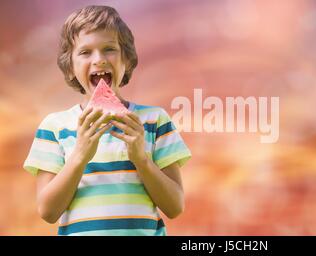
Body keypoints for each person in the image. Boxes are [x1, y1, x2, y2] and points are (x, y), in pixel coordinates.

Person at [23, 5, 191, 236]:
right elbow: (47, 211)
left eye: (109, 49)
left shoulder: (154, 120)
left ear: (127, 61)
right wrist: (80, 154)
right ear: (70, 67)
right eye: (85, 52)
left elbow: (175, 207)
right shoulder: (54, 127)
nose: (99, 60)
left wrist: (141, 159)